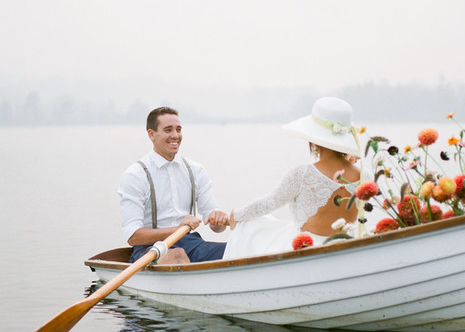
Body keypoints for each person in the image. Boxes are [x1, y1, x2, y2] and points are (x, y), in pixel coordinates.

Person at [224, 97, 362, 259]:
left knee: (250, 225)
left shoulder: (303, 174)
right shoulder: (362, 174)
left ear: (313, 138)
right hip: (346, 245)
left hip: (306, 246)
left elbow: (268, 203)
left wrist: (235, 215)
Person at [118, 106, 228, 264]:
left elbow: (217, 228)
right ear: (151, 134)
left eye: (178, 129)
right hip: (150, 248)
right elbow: (133, 236)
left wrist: (218, 219)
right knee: (177, 255)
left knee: (240, 249)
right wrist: (177, 230)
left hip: (192, 244)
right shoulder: (135, 175)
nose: (175, 136)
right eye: (168, 130)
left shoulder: (195, 170)